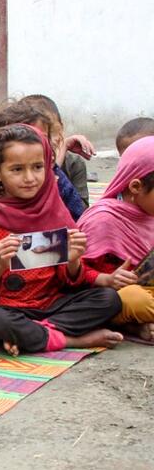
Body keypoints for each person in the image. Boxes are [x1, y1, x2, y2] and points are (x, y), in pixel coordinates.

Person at [0, 124, 123, 356]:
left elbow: (72, 281)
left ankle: (34, 335)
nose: (30, 178)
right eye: (17, 169)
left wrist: (72, 261)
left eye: (38, 167)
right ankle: (71, 340)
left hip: (54, 304)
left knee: (109, 299)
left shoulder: (54, 212)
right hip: (11, 308)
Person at [78, 136, 154, 340]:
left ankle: (139, 325)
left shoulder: (150, 212)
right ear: (136, 187)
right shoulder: (103, 219)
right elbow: (74, 278)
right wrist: (108, 280)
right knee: (134, 299)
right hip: (112, 297)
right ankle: (132, 325)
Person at [0, 102, 86, 221]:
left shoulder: (56, 180)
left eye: (40, 137)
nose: (29, 178)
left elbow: (79, 216)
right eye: (17, 169)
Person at [21, 94, 94, 209]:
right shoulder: (14, 161)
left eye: (47, 136)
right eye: (32, 136)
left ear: (60, 131)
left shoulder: (73, 162)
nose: (40, 143)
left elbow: (82, 210)